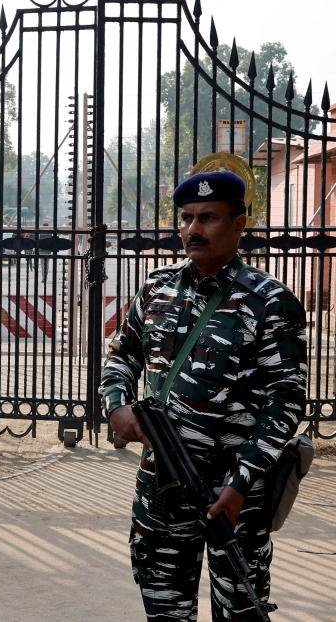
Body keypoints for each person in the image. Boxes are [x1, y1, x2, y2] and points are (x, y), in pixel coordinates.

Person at [101, 170, 307, 620]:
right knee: (164, 610)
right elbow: (121, 356)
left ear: (239, 223)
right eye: (187, 218)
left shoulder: (270, 301)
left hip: (234, 496)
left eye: (208, 218)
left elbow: (286, 400)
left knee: (240, 612)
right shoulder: (157, 288)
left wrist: (239, 485)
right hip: (162, 486)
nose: (193, 229)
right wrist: (116, 406)